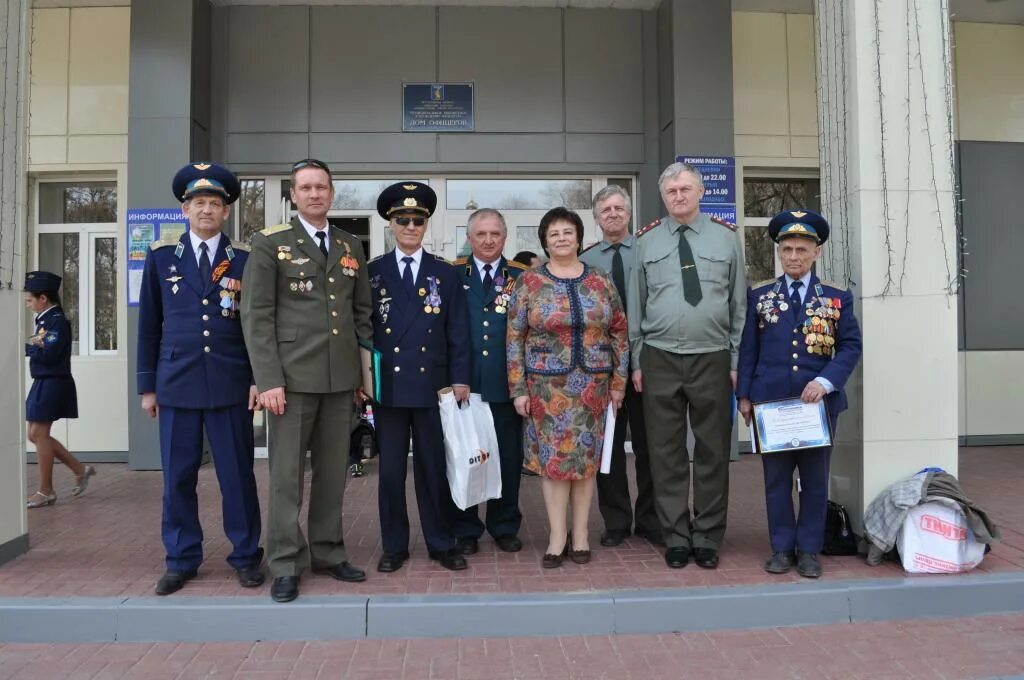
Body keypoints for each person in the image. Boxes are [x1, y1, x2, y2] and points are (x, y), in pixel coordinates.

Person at [241, 158, 372, 603]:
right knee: (286, 476)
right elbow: (256, 317)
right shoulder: (269, 243)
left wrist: (361, 375)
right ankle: (284, 561)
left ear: (332, 193)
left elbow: (360, 315)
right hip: (290, 382)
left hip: (340, 381)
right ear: (293, 195)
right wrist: (269, 379)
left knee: (333, 473)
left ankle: (329, 552)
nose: (315, 194)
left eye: (322, 187)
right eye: (306, 188)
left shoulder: (351, 244)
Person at [137, 162, 263, 596]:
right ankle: (181, 557)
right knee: (177, 478)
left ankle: (246, 555)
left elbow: (255, 327)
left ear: (226, 212)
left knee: (237, 477)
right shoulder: (160, 261)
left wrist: (257, 379)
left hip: (231, 384)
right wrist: (147, 387)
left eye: (214, 203)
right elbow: (149, 327)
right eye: (198, 203)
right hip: (176, 383)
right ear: (183, 210)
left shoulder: (245, 261)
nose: (206, 210)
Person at [628, 162, 746, 570]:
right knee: (666, 452)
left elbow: (739, 306)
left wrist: (735, 359)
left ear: (700, 192)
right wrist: (636, 360)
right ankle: (676, 536)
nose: (678, 196)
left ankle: (709, 536)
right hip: (658, 356)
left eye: (684, 189)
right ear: (663, 197)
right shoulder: (645, 242)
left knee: (713, 449)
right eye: (671, 192)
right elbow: (635, 303)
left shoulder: (727, 239)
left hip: (712, 355)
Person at [737, 210, 862, 579]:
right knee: (775, 482)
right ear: (779, 251)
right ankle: (781, 548)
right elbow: (749, 350)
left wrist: (826, 382)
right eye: (787, 249)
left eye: (801, 249)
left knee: (814, 481)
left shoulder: (837, 298)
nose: (793, 256)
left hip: (818, 408)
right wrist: (744, 396)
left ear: (816, 253)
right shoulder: (760, 295)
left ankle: (809, 549)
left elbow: (851, 346)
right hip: (770, 406)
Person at [507, 207, 628, 568]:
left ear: (578, 237)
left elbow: (619, 331)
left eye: (567, 232)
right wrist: (519, 389)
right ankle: (557, 538)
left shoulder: (601, 280)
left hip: (593, 387)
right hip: (547, 388)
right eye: (554, 233)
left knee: (585, 465)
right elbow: (514, 337)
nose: (561, 238)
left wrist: (619, 382)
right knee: (554, 464)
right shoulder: (529, 282)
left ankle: (581, 535)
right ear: (545, 240)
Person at [368, 181, 471, 573]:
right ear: (391, 225)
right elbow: (364, 330)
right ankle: (394, 545)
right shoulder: (372, 273)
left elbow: (457, 331)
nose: (410, 226)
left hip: (434, 388)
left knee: (433, 470)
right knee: (391, 473)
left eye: (417, 220)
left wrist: (461, 377)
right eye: (402, 220)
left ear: (426, 225)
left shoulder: (443, 274)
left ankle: (441, 542)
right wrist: (365, 382)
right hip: (389, 390)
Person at [579, 185, 660, 548]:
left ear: (628, 214)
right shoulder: (587, 260)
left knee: (651, 446)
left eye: (618, 208)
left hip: (646, 365)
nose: (612, 214)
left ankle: (651, 518)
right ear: (596, 219)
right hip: (604, 370)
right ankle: (616, 520)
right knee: (607, 449)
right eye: (605, 210)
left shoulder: (650, 251)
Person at [449, 208, 529, 555]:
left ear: (505, 237)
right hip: (465, 385)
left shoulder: (522, 277)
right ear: (469, 238)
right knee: (466, 457)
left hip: (506, 384)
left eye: (495, 233)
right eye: (480, 234)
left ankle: (504, 524)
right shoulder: (453, 275)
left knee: (507, 459)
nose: (488, 240)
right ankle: (465, 527)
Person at [23, 271, 95, 509]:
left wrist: (28, 347)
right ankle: (80, 469)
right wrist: (33, 346)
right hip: (44, 381)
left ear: (43, 298)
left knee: (39, 435)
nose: (27, 303)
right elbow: (40, 347)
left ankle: (46, 491)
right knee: (33, 434)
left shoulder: (56, 321)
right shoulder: (44, 320)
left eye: (29, 299)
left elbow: (48, 353)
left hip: (54, 381)